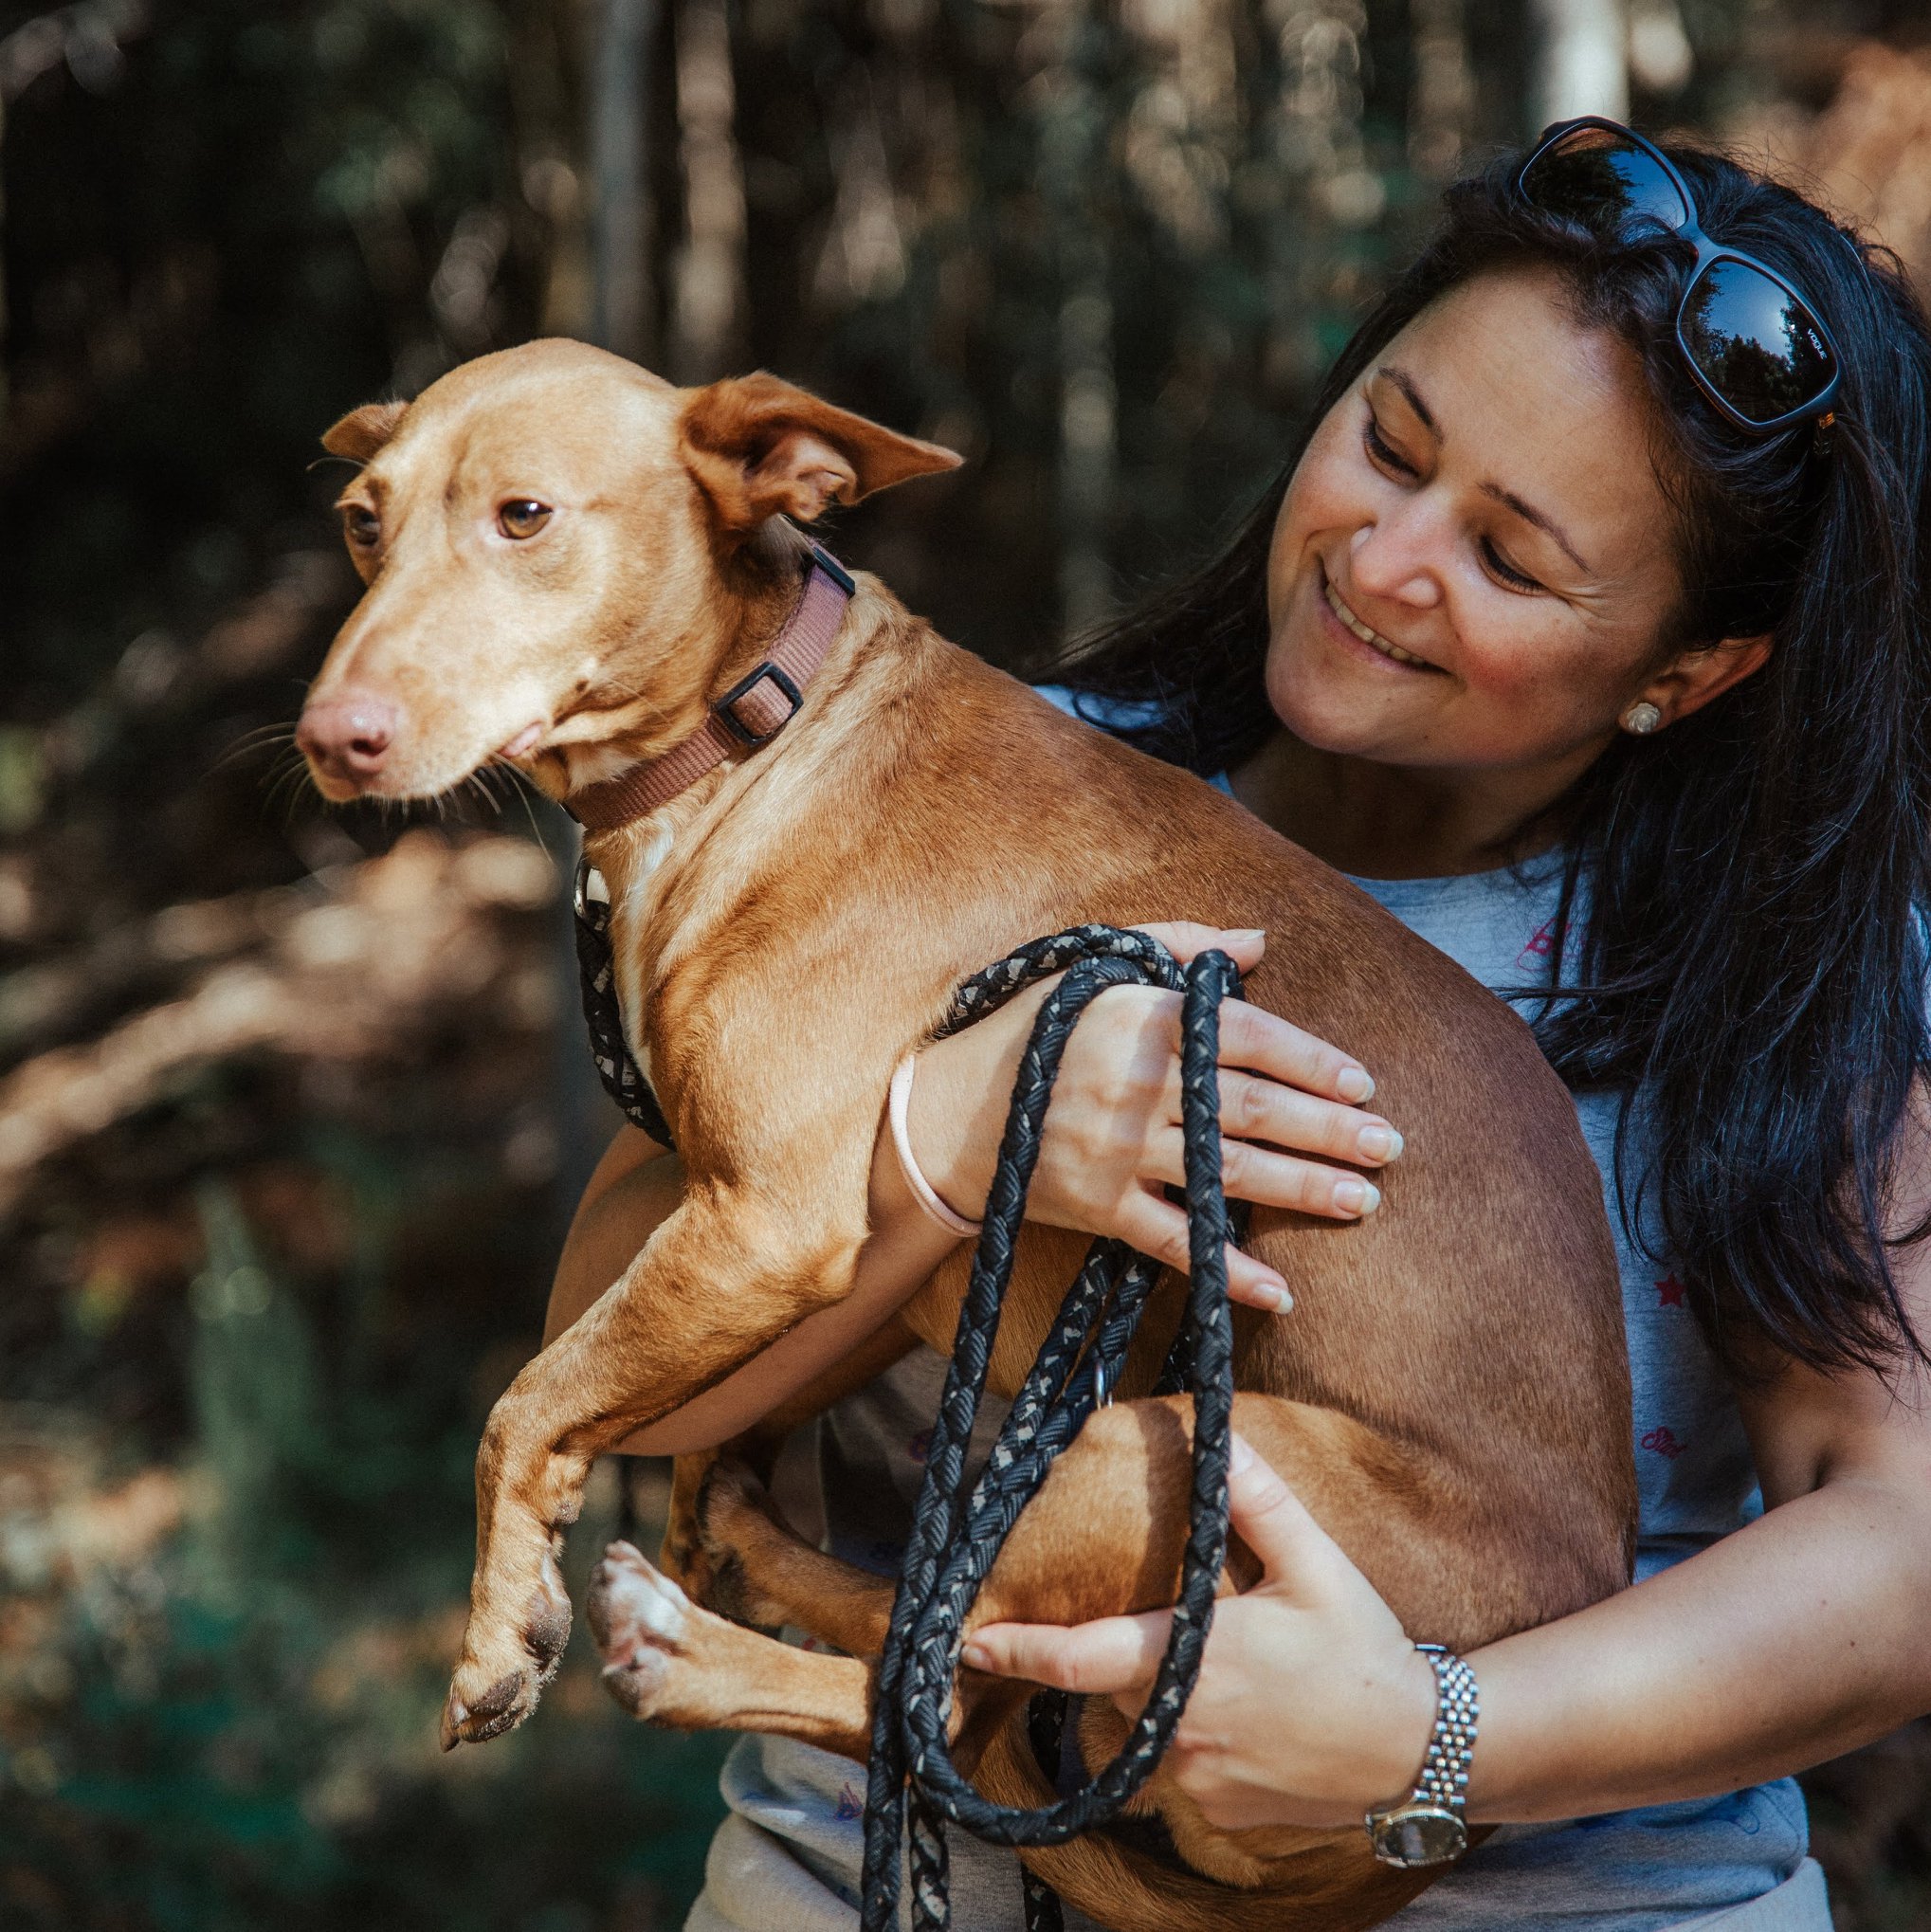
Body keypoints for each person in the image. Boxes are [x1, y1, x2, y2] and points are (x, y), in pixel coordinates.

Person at [546, 122, 1931, 1930]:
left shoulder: (1784, 967)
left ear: (1687, 669)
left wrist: (1423, 1739)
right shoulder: (945, 781)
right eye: (1390, 441)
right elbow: (601, 1362)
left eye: (1510, 559)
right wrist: (944, 1145)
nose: (1385, 555)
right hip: (882, 1875)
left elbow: (1897, 1547)